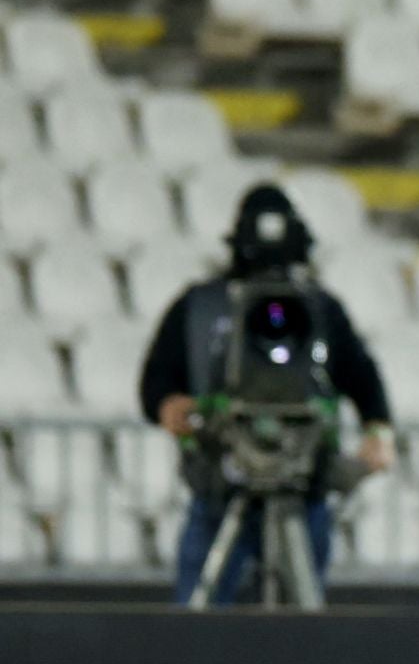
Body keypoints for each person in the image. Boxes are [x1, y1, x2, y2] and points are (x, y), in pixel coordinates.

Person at [139, 184, 394, 605]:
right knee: (197, 621)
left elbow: (362, 375)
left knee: (301, 629)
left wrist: (377, 430)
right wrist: (169, 405)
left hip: (302, 484)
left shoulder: (320, 310)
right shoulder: (201, 306)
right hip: (222, 485)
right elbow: (156, 380)